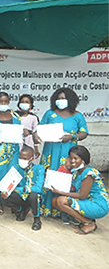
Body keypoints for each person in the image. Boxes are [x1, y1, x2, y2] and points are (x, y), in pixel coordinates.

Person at [36, 87, 88, 217]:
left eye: (63, 98)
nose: (61, 101)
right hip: (51, 152)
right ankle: (46, 208)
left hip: (69, 153)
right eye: (58, 99)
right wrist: (36, 136)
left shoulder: (78, 115)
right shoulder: (50, 114)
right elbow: (40, 129)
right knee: (49, 177)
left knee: (66, 179)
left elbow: (84, 133)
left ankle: (63, 209)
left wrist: (72, 137)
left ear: (70, 100)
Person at [51, 145, 109, 234]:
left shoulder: (89, 173)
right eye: (71, 158)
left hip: (97, 204)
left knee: (60, 200)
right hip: (88, 200)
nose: (72, 161)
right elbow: (73, 187)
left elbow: (82, 195)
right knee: (54, 201)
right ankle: (85, 220)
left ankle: (89, 223)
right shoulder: (77, 171)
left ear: (83, 159)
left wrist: (61, 192)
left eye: (76, 158)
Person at [0, 92, 21, 215]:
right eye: (0, 102)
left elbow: (20, 130)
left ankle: (11, 202)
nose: (3, 104)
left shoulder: (16, 115)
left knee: (12, 175)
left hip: (13, 150)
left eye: (5, 101)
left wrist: (24, 132)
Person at [0, 146, 44, 230]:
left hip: (33, 196)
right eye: (20, 157)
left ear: (31, 159)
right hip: (20, 196)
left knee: (33, 195)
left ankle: (37, 219)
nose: (21, 160)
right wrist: (6, 192)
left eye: (24, 158)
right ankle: (22, 210)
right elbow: (9, 184)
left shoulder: (39, 169)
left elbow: (38, 188)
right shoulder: (16, 168)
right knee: (3, 198)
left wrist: (22, 189)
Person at [16, 94, 40, 163]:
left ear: (31, 105)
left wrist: (36, 148)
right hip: (17, 141)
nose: (24, 103)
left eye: (27, 102)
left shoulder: (33, 117)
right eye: (22, 102)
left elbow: (35, 133)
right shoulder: (15, 115)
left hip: (29, 141)